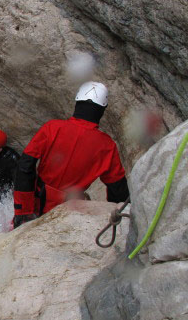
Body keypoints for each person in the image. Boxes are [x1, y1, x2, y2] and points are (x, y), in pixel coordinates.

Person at [13, 81, 129, 228]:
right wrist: (119, 219)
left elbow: (25, 166)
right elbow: (118, 190)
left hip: (38, 201)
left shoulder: (52, 128)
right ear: (102, 109)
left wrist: (22, 210)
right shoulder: (107, 146)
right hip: (71, 209)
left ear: (77, 101)